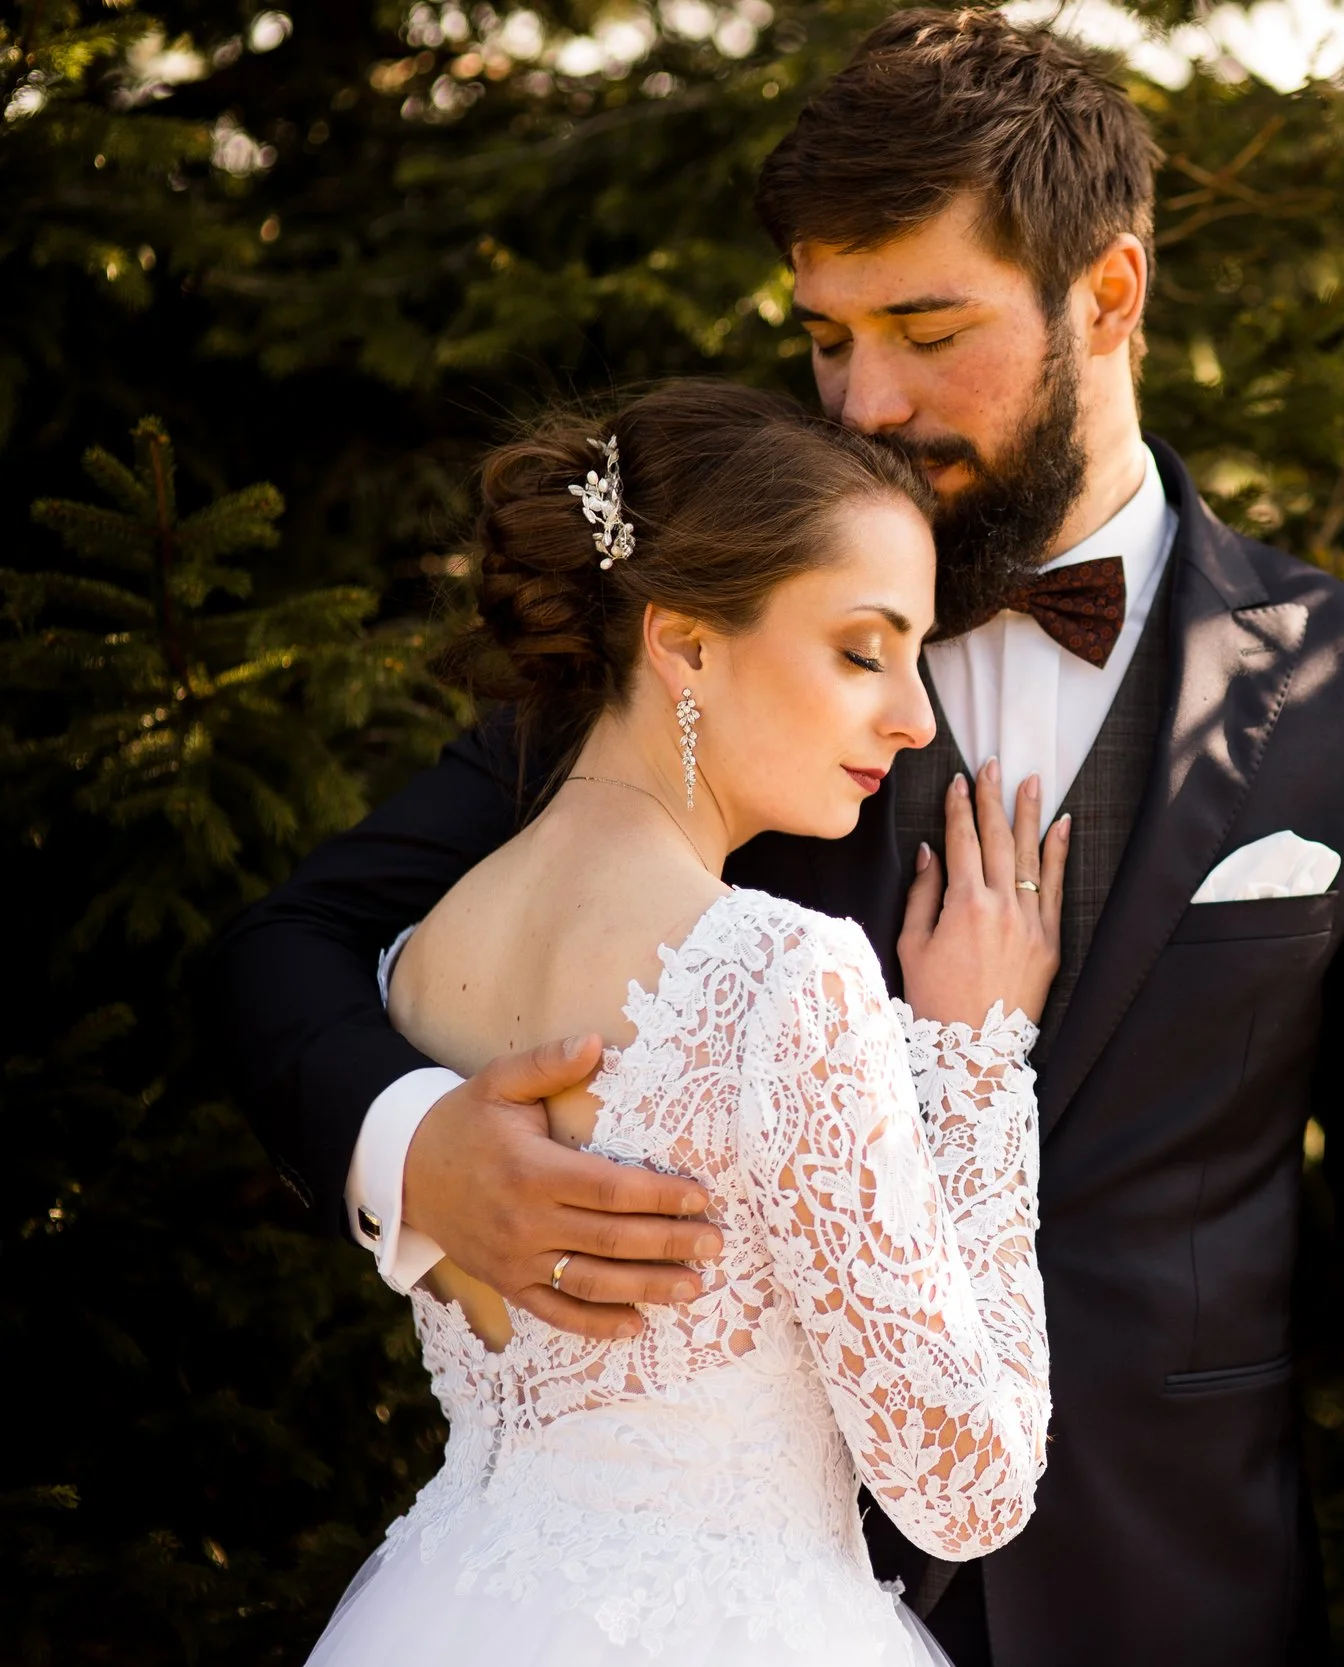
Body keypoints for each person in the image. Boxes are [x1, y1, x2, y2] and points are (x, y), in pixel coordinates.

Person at [216, 12, 1344, 1665]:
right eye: (828, 336)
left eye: (924, 325)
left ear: (1108, 294)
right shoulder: (712, 625)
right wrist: (415, 1148)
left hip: (1173, 1606)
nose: (866, 398)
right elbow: (287, 944)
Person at [300, 380, 1061, 1665]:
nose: (915, 715)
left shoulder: (412, 959)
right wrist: (977, 1056)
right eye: (864, 648)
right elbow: (966, 1483)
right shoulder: (781, 972)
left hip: (442, 1609)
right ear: (685, 642)